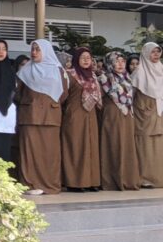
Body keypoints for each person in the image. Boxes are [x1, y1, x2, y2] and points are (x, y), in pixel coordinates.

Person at [16, 39, 69, 195]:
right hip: (30, 116)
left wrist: (47, 103)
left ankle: (49, 184)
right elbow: (18, 93)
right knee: (30, 151)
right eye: (33, 49)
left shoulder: (59, 71)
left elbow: (64, 93)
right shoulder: (25, 70)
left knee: (50, 152)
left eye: (38, 49)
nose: (34, 53)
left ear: (46, 51)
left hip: (51, 116)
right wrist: (32, 102)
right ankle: (30, 184)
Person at [98, 51, 141, 191]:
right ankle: (113, 180)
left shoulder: (127, 78)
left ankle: (128, 180)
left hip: (127, 115)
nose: (121, 64)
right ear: (110, 63)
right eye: (117, 61)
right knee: (114, 145)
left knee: (127, 146)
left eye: (123, 61)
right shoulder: (104, 79)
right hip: (112, 116)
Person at [62, 47, 102, 192]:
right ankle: (75, 182)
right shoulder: (69, 75)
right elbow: (62, 96)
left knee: (90, 146)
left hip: (90, 116)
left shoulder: (93, 76)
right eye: (82, 57)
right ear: (76, 59)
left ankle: (91, 181)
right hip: (75, 115)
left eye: (88, 57)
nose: (86, 60)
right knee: (76, 146)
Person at [131, 42, 163, 188]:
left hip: (159, 115)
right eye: (153, 52)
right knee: (145, 147)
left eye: (158, 52)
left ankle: (158, 178)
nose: (156, 55)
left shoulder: (161, 69)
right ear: (145, 53)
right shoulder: (139, 72)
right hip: (143, 117)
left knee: (158, 147)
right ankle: (145, 178)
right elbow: (130, 95)